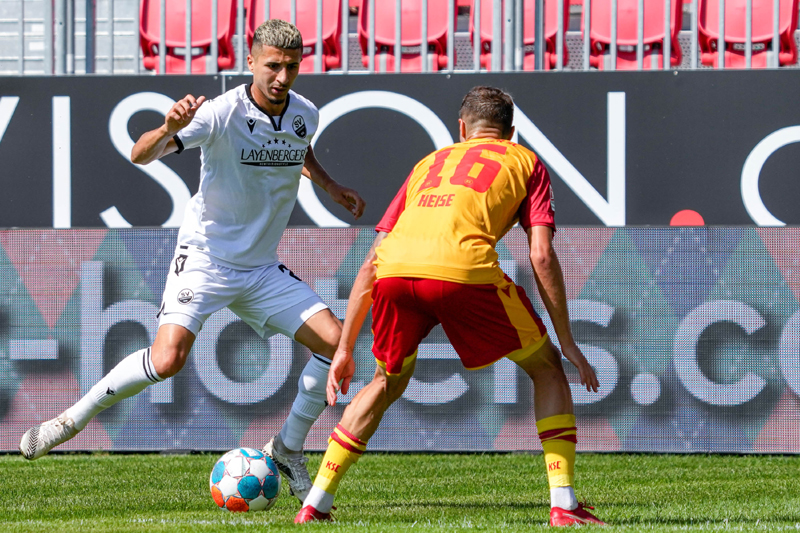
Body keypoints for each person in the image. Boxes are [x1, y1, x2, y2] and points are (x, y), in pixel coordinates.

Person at [19, 19, 365, 504]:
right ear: (250, 61)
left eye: (290, 66)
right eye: (272, 66)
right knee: (167, 359)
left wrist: (328, 184)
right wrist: (168, 128)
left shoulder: (306, 112)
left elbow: (295, 147)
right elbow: (141, 155)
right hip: (205, 259)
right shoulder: (219, 114)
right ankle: (68, 422)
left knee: (338, 344)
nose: (281, 77)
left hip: (261, 268)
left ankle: (287, 447)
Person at [294, 86, 605, 526]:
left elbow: (372, 260)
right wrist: (567, 340)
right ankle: (564, 503)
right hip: (464, 274)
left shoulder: (428, 163)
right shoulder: (527, 162)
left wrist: (345, 348)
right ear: (511, 133)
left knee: (385, 380)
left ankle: (316, 503)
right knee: (547, 367)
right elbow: (540, 255)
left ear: (461, 129)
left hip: (395, 274)